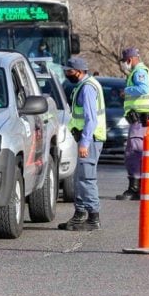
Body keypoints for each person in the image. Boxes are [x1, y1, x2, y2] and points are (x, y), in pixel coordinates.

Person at [57, 57, 106, 231]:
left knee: (87, 178)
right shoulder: (83, 86)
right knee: (80, 178)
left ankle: (93, 218)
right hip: (86, 139)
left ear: (79, 71)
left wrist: (84, 142)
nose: (66, 74)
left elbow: (91, 120)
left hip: (90, 139)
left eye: (69, 71)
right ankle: (79, 214)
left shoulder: (87, 88)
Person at [117, 47, 149, 201]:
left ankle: (136, 188)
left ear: (130, 59)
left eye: (125, 61)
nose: (124, 65)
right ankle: (135, 186)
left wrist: (127, 91)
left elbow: (143, 88)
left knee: (135, 153)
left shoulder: (139, 71)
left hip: (140, 119)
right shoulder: (137, 71)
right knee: (131, 153)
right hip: (137, 120)